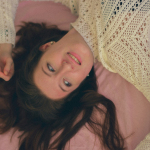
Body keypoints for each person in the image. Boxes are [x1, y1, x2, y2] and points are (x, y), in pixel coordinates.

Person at [0, 0, 149, 149]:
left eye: (51, 68)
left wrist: (4, 45)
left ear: (47, 47)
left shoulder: (78, 3)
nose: (66, 67)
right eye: (66, 83)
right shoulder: (127, 59)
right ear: (81, 82)